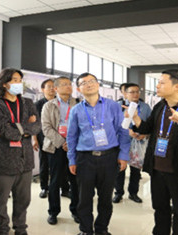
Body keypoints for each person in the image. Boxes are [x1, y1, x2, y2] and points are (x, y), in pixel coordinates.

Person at [126, 69, 178, 235]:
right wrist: (134, 117)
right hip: (157, 169)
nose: (157, 86)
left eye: (162, 82)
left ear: (176, 86)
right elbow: (146, 128)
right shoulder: (160, 106)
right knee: (160, 209)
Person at [67, 72, 130, 235]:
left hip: (109, 157)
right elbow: (71, 137)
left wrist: (123, 155)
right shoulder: (76, 110)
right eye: (84, 83)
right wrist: (72, 159)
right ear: (78, 89)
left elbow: (123, 131)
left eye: (92, 81)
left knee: (105, 198)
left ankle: (102, 229)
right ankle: (85, 230)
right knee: (84, 198)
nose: (89, 84)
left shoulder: (113, 106)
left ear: (98, 84)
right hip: (85, 159)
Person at [0, 68, 41, 235]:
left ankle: (20, 228)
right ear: (4, 84)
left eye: (20, 80)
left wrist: (17, 128)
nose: (19, 83)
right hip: (4, 160)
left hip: (25, 160)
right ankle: (2, 229)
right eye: (15, 80)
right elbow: (5, 131)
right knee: (1, 201)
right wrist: (26, 128)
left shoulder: (28, 103)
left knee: (23, 200)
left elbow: (37, 127)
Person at [41, 76, 79, 225]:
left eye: (69, 84)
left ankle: (75, 210)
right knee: (55, 181)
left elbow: (84, 125)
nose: (68, 86)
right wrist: (62, 142)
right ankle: (53, 212)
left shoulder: (78, 103)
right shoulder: (48, 105)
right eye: (64, 84)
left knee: (75, 180)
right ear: (56, 88)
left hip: (75, 147)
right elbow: (46, 128)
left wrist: (72, 143)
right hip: (55, 147)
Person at [113, 82, 151, 204]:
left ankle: (133, 193)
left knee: (135, 170)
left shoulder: (145, 107)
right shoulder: (117, 106)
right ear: (125, 94)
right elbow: (111, 124)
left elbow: (150, 125)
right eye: (132, 92)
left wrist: (144, 134)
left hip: (138, 143)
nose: (135, 94)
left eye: (137, 92)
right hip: (121, 142)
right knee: (120, 168)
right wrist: (127, 131)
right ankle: (118, 193)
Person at [35, 78, 56, 198]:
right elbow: (34, 124)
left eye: (54, 86)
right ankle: (44, 188)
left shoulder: (60, 102)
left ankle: (63, 187)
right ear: (43, 89)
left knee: (60, 165)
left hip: (59, 138)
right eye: (49, 86)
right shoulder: (38, 105)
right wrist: (34, 139)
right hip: (43, 138)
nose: (52, 88)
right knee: (44, 164)